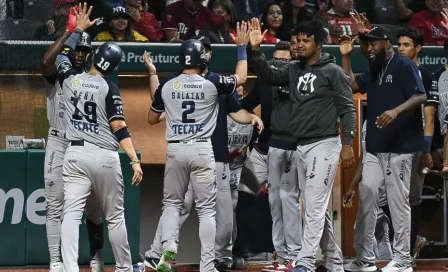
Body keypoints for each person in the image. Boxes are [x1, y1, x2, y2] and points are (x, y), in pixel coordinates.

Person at [143, 34, 263, 272]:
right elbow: (241, 77)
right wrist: (241, 48)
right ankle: (208, 265)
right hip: (202, 149)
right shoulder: (212, 83)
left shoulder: (169, 85)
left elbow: (151, 118)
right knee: (207, 210)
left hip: (176, 149)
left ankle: (169, 250)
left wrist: (154, 75)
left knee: (171, 205)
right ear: (203, 59)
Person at [248, 18, 356, 272]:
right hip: (301, 146)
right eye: (296, 41)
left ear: (319, 44)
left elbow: (348, 109)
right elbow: (269, 75)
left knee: (315, 207)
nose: (298, 45)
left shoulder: (333, 72)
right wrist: (254, 51)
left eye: (304, 41)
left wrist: (348, 143)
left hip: (325, 145)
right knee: (315, 208)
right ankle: (334, 261)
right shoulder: (294, 69)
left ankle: (305, 262)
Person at [55, 4, 144, 272]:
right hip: (105, 156)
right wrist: (134, 159)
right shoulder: (110, 87)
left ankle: (70, 268)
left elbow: (62, 56)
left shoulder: (71, 79)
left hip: (75, 154)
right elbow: (119, 126)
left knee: (70, 214)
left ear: (93, 58)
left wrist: (77, 29)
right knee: (115, 218)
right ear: (113, 66)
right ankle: (125, 268)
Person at [340, 26, 427, 272]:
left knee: (399, 203)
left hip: (400, 146)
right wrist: (346, 56)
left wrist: (396, 110)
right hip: (376, 147)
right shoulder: (375, 66)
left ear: (386, 43)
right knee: (366, 196)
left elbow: (420, 96)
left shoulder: (403, 65)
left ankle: (402, 260)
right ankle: (365, 258)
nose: (368, 48)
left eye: (373, 44)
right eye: (365, 44)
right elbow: (353, 86)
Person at [40, 10, 105, 272]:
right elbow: (46, 62)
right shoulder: (58, 74)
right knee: (54, 205)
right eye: (75, 50)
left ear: (89, 54)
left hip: (85, 145)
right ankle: (56, 261)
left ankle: (97, 258)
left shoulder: (96, 80)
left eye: (83, 51)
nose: (79, 54)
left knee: (93, 207)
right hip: (58, 142)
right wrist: (71, 31)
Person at [396, 27, 439, 263]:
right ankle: (395, 248)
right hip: (390, 145)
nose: (401, 49)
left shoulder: (426, 75)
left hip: (414, 147)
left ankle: (409, 249)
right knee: (385, 199)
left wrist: (425, 150)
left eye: (406, 45)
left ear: (418, 48)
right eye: (399, 45)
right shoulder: (389, 72)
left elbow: (429, 117)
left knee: (412, 199)